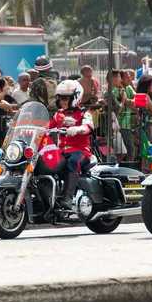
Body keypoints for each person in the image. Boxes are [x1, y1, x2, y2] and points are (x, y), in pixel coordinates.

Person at [48, 80, 93, 210]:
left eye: (65, 98)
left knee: (73, 161)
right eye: (60, 98)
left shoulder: (84, 113)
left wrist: (78, 129)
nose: (62, 101)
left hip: (80, 151)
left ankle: (68, 198)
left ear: (75, 97)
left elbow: (88, 126)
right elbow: (47, 127)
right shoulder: (58, 115)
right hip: (61, 152)